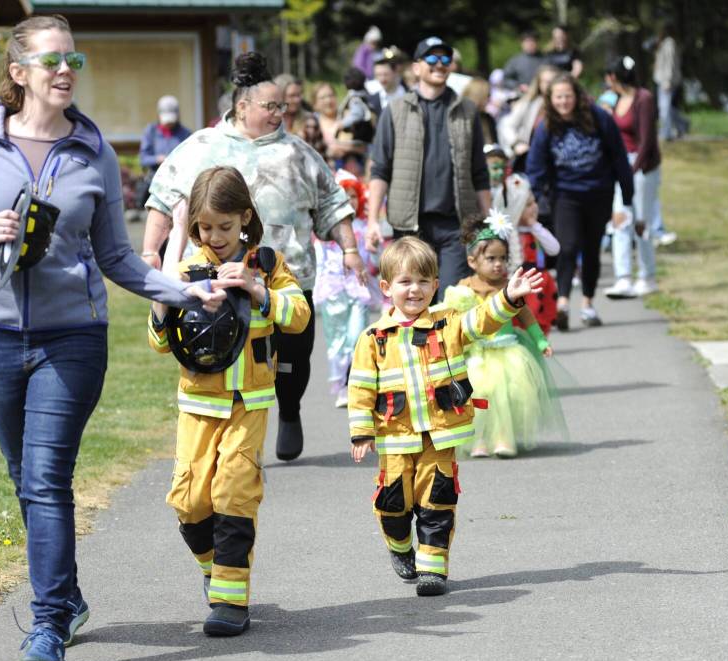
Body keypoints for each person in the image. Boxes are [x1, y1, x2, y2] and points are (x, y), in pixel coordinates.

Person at [0, 14, 226, 661]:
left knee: (44, 480)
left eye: (74, 62)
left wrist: (184, 293)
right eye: (54, 61)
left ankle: (48, 626)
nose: (66, 71)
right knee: (25, 481)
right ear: (19, 71)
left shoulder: (92, 151)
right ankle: (68, 593)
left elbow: (118, 256)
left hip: (72, 342)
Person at [142, 52, 365, 461]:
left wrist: (349, 249)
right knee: (231, 356)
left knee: (293, 359)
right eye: (271, 106)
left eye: (283, 105)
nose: (281, 112)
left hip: (290, 277)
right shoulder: (200, 147)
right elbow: (162, 199)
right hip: (219, 279)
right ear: (242, 107)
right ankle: (232, 435)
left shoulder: (299, 152)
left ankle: (291, 409)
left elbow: (333, 203)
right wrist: (149, 252)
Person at [148, 165, 310, 636]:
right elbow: (160, 342)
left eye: (225, 226)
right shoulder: (185, 268)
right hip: (199, 403)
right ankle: (214, 567)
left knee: (234, 490)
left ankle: (230, 600)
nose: (215, 237)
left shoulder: (267, 263)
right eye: (205, 227)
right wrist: (170, 291)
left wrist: (258, 291)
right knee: (190, 499)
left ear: (245, 217)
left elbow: (298, 316)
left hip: (249, 399)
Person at [348, 236, 543, 596]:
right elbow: (360, 388)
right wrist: (361, 432)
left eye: (423, 282)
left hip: (439, 434)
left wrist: (509, 298)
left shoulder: (447, 322)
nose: (415, 290)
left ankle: (432, 569)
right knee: (394, 504)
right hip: (395, 437)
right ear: (387, 287)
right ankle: (400, 545)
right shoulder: (372, 338)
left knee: (438, 499)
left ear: (436, 285)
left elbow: (481, 321)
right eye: (405, 282)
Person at [367, 36, 492, 301]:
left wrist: (488, 221)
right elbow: (380, 170)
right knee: (416, 301)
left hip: (456, 224)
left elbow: (479, 172)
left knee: (453, 301)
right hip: (410, 225)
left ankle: (447, 345)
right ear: (416, 67)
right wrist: (371, 221)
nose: (440, 64)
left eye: (445, 59)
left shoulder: (467, 110)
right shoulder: (396, 110)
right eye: (432, 59)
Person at [441, 213, 563, 458]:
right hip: (477, 353)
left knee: (509, 394)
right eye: (491, 258)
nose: (498, 264)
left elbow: (526, 315)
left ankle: (502, 438)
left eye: (503, 258)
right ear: (473, 261)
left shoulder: (510, 287)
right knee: (478, 393)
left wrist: (540, 339)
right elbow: (452, 318)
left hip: (507, 351)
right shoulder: (464, 287)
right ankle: (478, 439)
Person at [526, 73, 634, 330]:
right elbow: (536, 165)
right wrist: (535, 196)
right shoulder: (546, 126)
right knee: (568, 246)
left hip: (599, 192)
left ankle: (587, 304)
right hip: (565, 195)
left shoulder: (599, 118)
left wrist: (627, 195)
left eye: (568, 96)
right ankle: (563, 302)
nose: (564, 101)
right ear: (551, 100)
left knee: (591, 248)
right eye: (559, 97)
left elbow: (619, 155)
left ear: (577, 96)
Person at [314, 169, 382, 407]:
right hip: (333, 292)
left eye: (352, 196)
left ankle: (355, 383)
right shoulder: (324, 232)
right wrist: (317, 290)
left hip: (358, 291)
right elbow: (319, 264)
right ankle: (341, 387)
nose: (349, 201)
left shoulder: (364, 227)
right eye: (344, 196)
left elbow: (374, 263)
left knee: (356, 338)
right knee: (337, 344)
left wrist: (374, 251)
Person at [602, 56, 663, 300]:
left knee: (641, 222)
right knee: (620, 220)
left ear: (614, 77)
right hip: (621, 165)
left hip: (641, 166)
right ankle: (623, 277)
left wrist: (634, 169)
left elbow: (647, 140)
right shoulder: (615, 100)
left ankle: (647, 276)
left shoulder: (643, 98)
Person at [496, 173, 560, 333]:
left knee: (541, 319)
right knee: (522, 320)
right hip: (521, 283)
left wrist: (534, 226)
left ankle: (539, 345)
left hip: (539, 283)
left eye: (534, 202)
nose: (535, 207)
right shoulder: (510, 233)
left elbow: (554, 249)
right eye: (528, 204)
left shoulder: (536, 230)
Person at [497, 64, 559, 171]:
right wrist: (516, 143)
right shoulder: (529, 103)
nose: (549, 85)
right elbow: (506, 125)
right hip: (530, 159)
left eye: (552, 81)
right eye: (545, 81)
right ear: (539, 83)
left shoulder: (563, 104)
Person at [652, 23, 689, 142]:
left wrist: (668, 80)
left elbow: (670, 64)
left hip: (667, 81)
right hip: (662, 79)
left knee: (664, 107)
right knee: (667, 107)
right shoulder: (664, 43)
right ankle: (683, 124)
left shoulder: (670, 43)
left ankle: (666, 132)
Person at [462, 78, 498, 146]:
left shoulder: (488, 119)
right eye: (488, 95)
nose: (489, 99)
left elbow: (493, 143)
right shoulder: (460, 117)